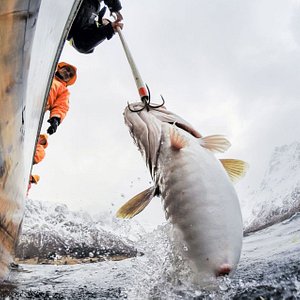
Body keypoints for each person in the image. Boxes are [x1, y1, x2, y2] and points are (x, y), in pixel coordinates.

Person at [46, 62, 77, 135]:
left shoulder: (64, 90)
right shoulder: (47, 71)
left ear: (68, 80)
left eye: (70, 75)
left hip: (37, 107)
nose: (68, 73)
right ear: (60, 68)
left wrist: (56, 120)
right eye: (67, 69)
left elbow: (61, 106)